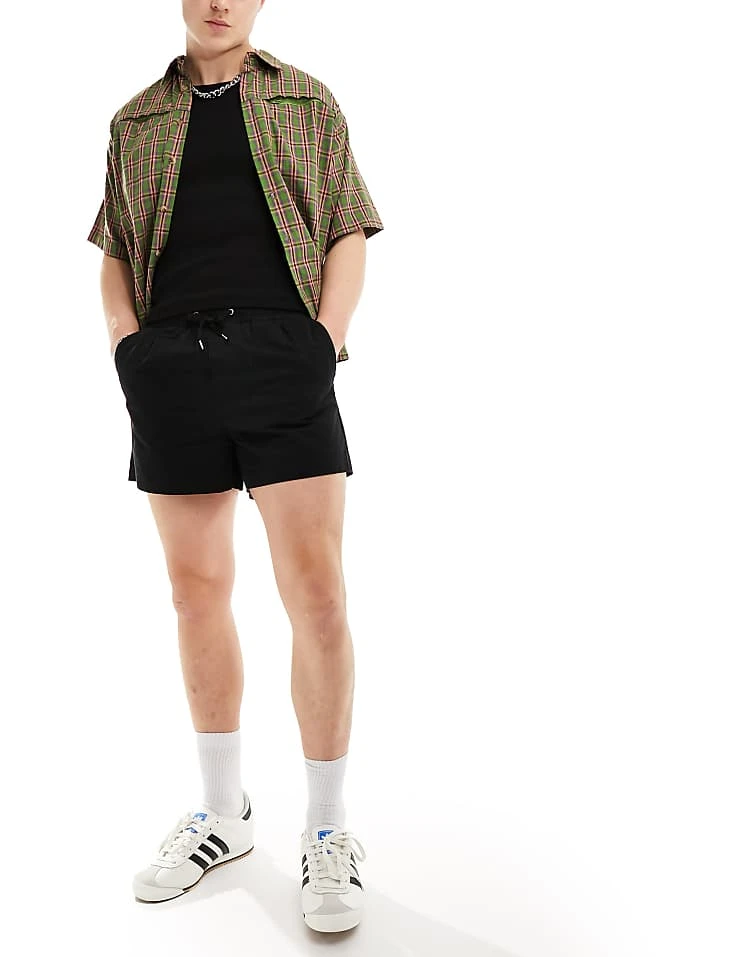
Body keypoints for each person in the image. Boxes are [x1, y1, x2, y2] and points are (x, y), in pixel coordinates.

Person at [86, 0, 383, 933]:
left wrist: (324, 339)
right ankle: (223, 811)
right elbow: (116, 249)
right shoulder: (135, 119)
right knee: (195, 591)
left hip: (282, 355)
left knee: (317, 593)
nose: (220, 2)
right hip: (170, 363)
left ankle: (327, 826)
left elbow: (346, 226)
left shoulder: (307, 101)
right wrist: (128, 348)